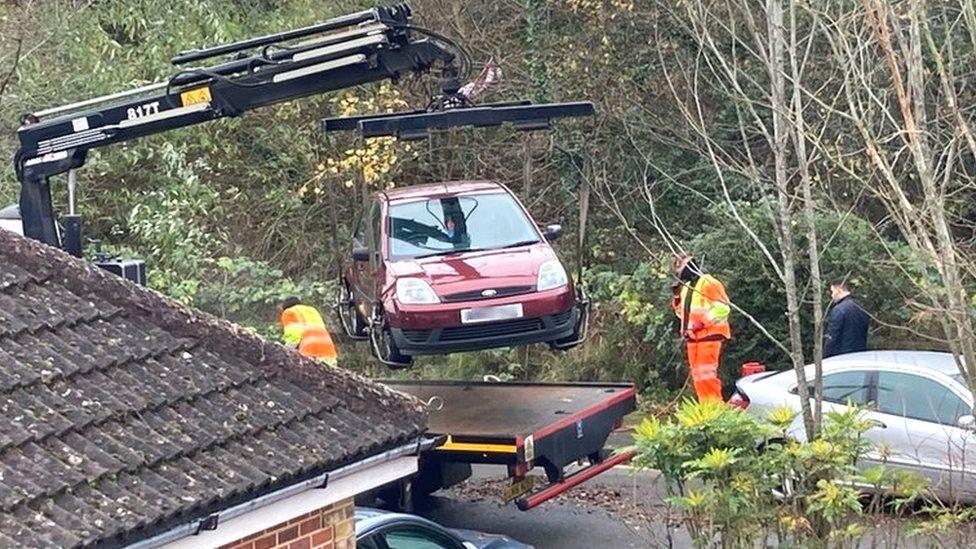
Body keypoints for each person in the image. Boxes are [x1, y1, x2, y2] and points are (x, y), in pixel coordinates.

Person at [671, 254, 731, 402]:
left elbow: (723, 308)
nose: (680, 271)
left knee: (707, 376)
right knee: (698, 378)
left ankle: (715, 410)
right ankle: (706, 408)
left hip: (709, 335)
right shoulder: (686, 288)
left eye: (681, 266)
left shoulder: (709, 283)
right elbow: (682, 315)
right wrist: (677, 299)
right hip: (693, 338)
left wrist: (702, 322)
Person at [279, 296, 338, 366]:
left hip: (310, 352)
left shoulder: (288, 312)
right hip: (328, 351)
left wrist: (285, 352)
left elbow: (294, 337)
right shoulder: (312, 310)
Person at [824, 278, 869, 358]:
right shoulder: (861, 307)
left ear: (839, 290)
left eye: (832, 291)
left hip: (841, 357)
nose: (832, 295)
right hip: (860, 354)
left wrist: (825, 356)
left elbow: (832, 337)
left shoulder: (838, 310)